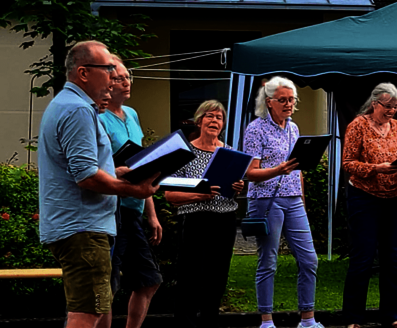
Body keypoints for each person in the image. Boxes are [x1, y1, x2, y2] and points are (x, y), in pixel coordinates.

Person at [38, 41, 159, 328]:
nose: (113, 75)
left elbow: (85, 168)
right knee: (87, 313)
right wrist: (135, 190)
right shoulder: (78, 110)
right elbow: (86, 176)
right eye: (107, 69)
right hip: (83, 226)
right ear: (83, 73)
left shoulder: (70, 105)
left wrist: (115, 171)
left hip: (80, 226)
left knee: (92, 307)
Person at [242, 76, 319, 328]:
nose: (288, 105)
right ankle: (266, 321)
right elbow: (250, 173)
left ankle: (308, 320)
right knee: (268, 260)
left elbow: (298, 170)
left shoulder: (293, 128)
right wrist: (279, 170)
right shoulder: (255, 129)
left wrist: (302, 201)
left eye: (292, 100)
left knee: (309, 260)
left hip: (293, 199)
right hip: (266, 199)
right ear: (269, 102)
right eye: (283, 100)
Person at [341, 83, 397, 328]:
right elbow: (348, 163)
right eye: (388, 106)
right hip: (365, 196)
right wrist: (376, 168)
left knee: (392, 259)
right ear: (375, 103)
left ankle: (390, 316)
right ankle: (354, 318)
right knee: (363, 258)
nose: (392, 111)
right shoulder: (358, 125)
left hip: (395, 197)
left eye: (396, 107)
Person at [166, 100, 245, 327]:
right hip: (195, 219)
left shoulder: (229, 152)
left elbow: (229, 191)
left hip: (224, 220)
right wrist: (199, 194)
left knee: (217, 277)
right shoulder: (183, 152)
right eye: (210, 116)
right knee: (190, 277)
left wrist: (236, 189)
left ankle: (211, 321)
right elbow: (170, 195)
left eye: (219, 118)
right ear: (199, 121)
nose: (214, 121)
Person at [99, 59, 163, 328]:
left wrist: (152, 214)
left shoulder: (133, 114)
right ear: (107, 82)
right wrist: (116, 170)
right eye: (120, 78)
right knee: (106, 288)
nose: (127, 82)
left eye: (129, 77)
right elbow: (96, 166)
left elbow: (141, 166)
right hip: (110, 209)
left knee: (149, 281)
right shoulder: (98, 118)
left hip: (134, 210)